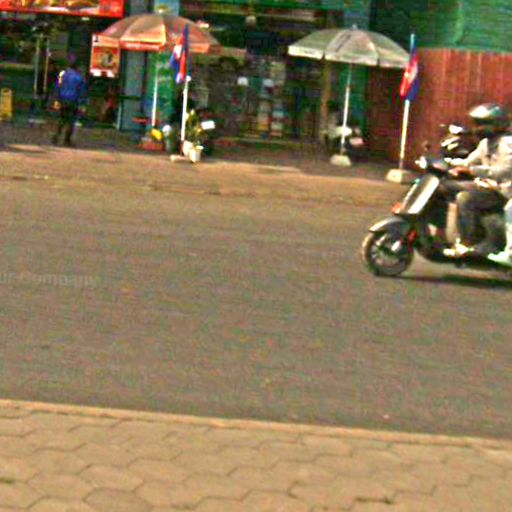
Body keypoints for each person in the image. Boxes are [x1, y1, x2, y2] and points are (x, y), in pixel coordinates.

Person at [445, 103, 512, 258]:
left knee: (466, 198)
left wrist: (473, 171)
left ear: (496, 125)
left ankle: (470, 242)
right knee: (446, 187)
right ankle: (443, 235)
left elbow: (504, 171)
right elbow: (468, 162)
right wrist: (445, 163)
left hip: (505, 192)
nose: (477, 129)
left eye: (481, 124)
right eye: (476, 124)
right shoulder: (485, 143)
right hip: (491, 187)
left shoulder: (508, 145)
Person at [51, 56, 87, 147]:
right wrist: (82, 104)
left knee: (61, 119)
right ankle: (67, 140)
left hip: (62, 99)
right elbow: (82, 91)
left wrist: (56, 99)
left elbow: (57, 87)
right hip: (73, 101)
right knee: (71, 121)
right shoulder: (79, 77)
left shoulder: (62, 75)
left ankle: (56, 135)